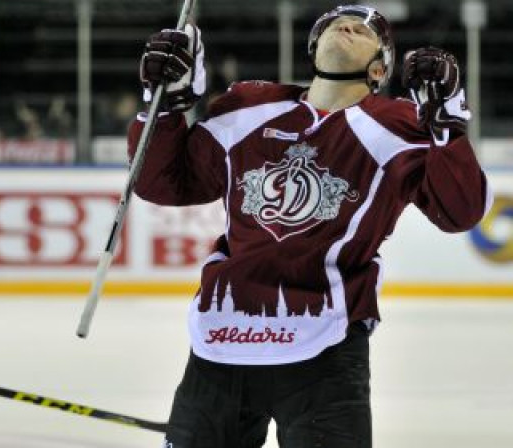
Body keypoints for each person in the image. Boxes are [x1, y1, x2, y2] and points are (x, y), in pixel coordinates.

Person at [134, 5, 490, 448]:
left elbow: (460, 212)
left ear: (379, 69)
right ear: (313, 47)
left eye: (364, 31)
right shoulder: (248, 108)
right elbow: (162, 183)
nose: (348, 25)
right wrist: (165, 104)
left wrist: (447, 129)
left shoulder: (398, 127)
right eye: (337, 23)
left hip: (325, 351)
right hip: (222, 344)